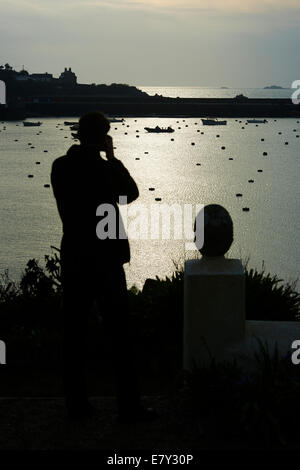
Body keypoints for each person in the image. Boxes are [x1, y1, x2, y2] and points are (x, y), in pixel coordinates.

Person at [51, 111, 156, 422]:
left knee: (74, 336)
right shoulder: (104, 170)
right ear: (102, 137)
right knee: (120, 337)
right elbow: (131, 194)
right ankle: (128, 406)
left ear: (78, 134)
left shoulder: (60, 167)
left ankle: (77, 406)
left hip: (74, 259)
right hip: (107, 261)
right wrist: (112, 158)